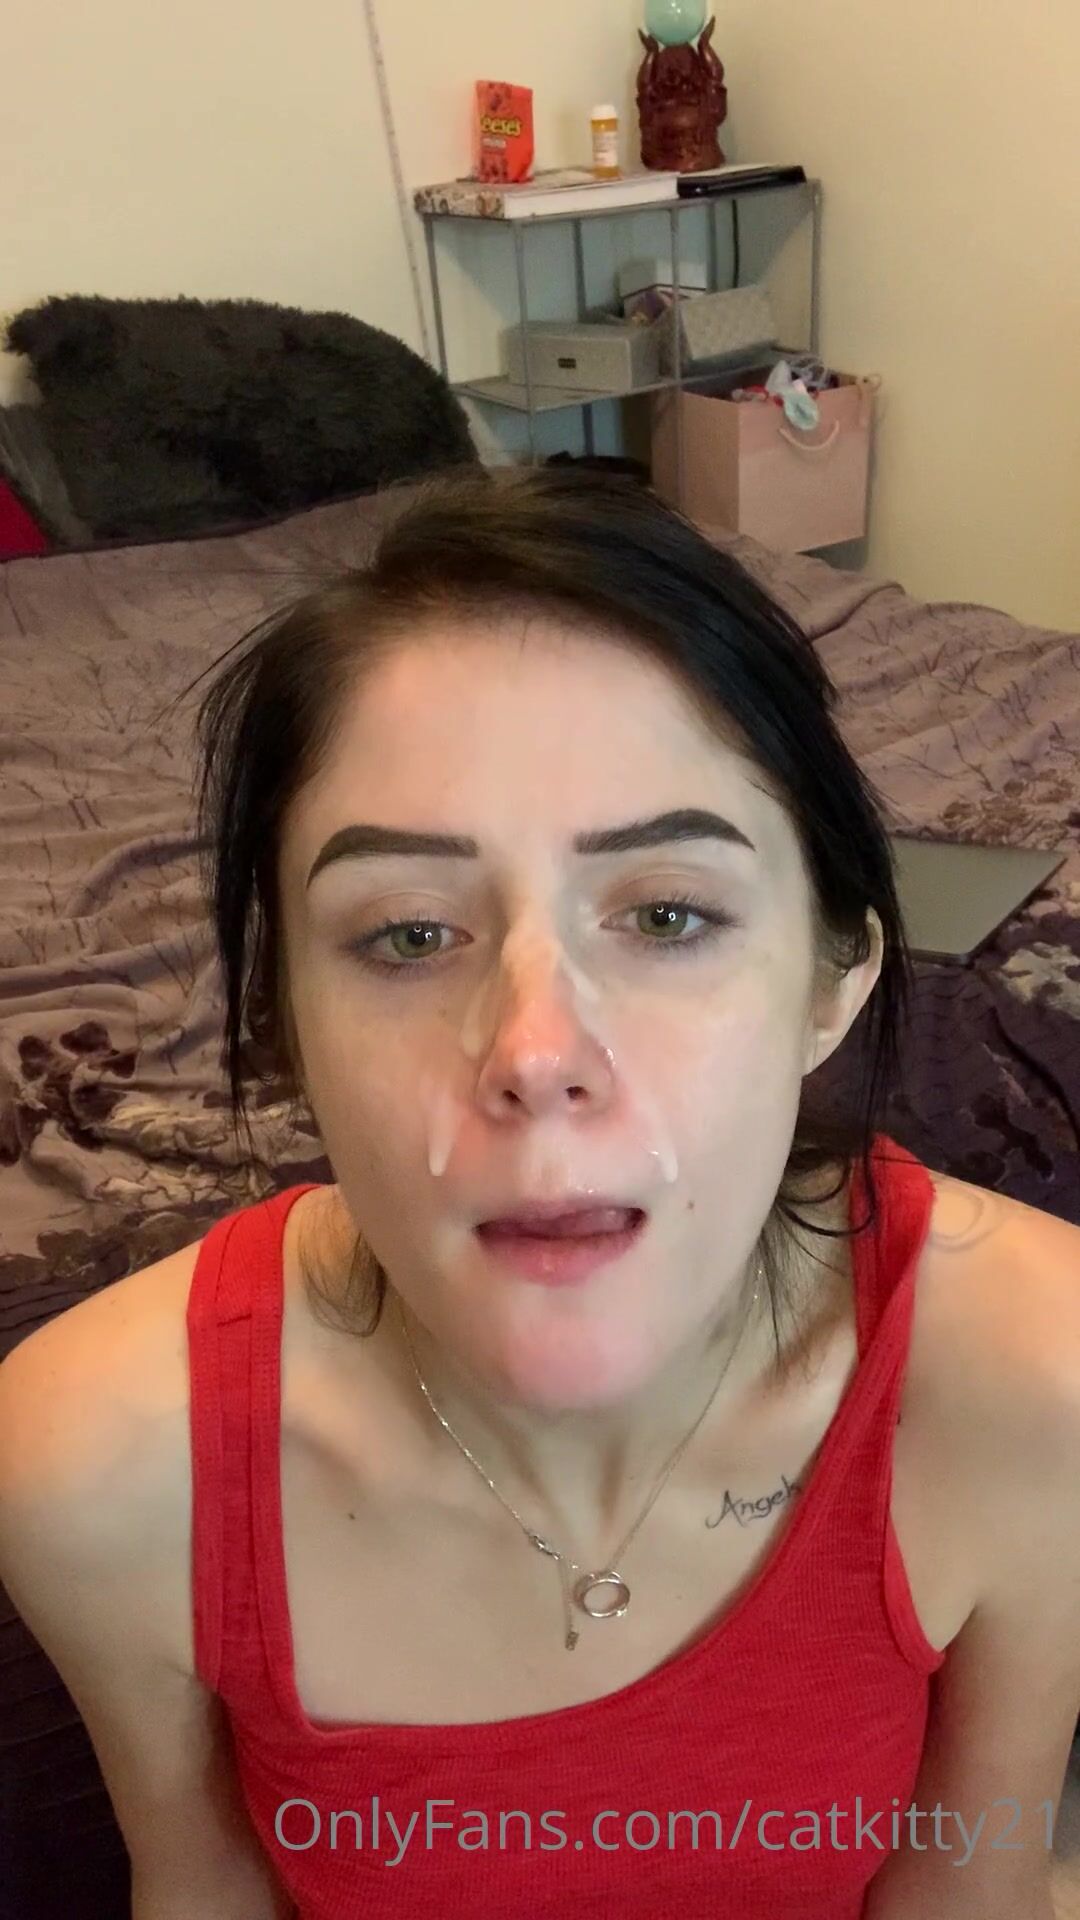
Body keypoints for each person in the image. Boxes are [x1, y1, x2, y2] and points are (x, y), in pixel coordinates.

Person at [0, 468, 1077, 1920]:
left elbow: (975, 1883)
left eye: (670, 915)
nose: (535, 1054)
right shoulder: (99, 1465)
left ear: (833, 983)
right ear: (285, 1022)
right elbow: (199, 1888)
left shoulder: (1037, 1379)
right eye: (408, 934)